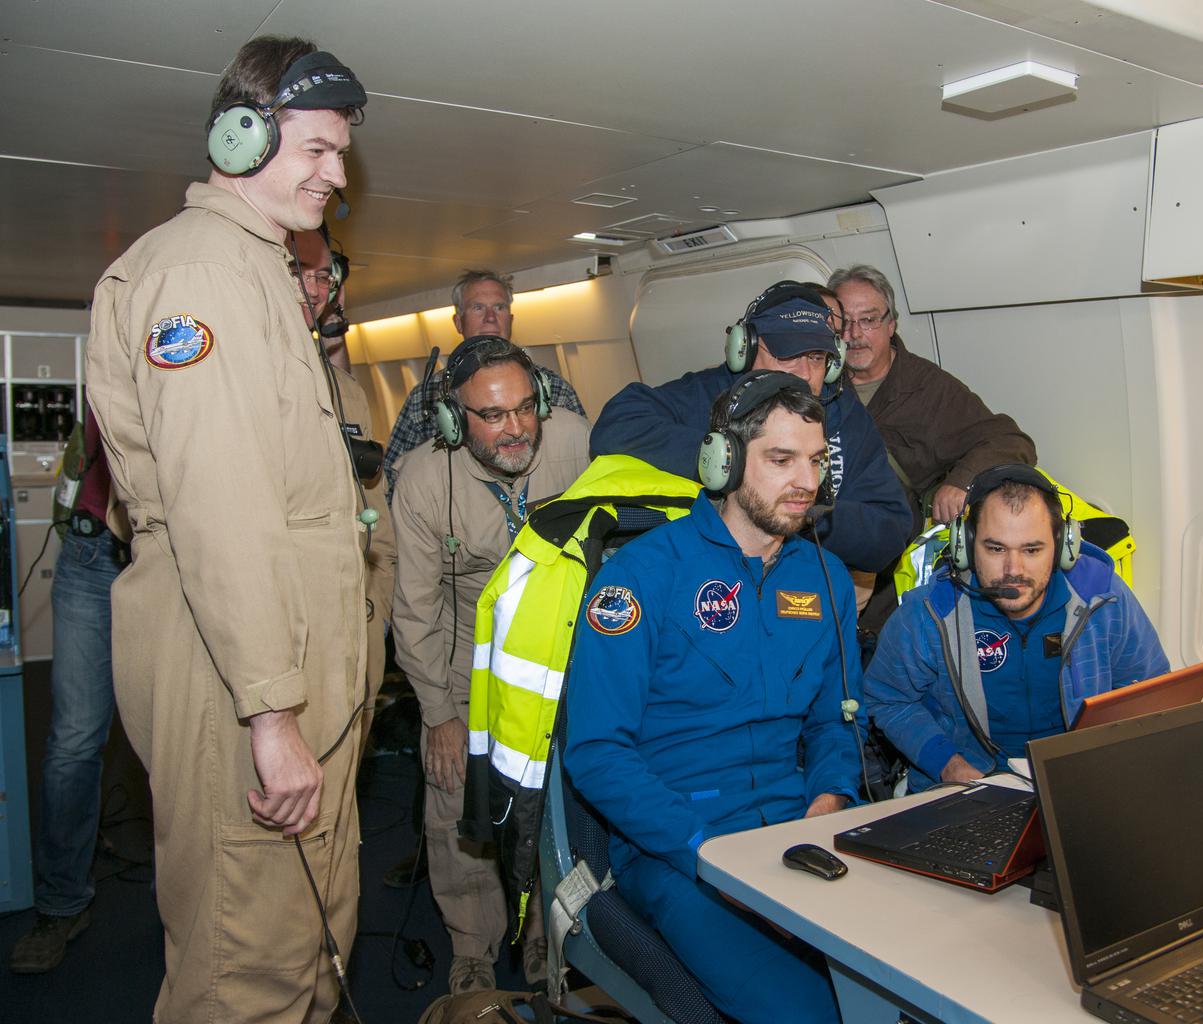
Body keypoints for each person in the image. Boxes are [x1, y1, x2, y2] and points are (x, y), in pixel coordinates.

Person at [84, 37, 369, 1023]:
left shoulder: (259, 275)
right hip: (238, 677)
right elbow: (220, 510)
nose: (337, 175)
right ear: (241, 135)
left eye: (342, 154)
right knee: (247, 964)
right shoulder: (202, 276)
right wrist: (271, 714)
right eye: (319, 149)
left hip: (281, 671)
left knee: (305, 939)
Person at [566, 371, 864, 1024]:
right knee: (809, 1014)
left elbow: (836, 722)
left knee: (902, 986)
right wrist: (710, 854)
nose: (806, 483)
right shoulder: (640, 576)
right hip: (677, 847)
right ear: (722, 461)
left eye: (815, 462)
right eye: (781, 460)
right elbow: (595, 752)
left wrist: (829, 801)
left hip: (799, 828)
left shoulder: (826, 577)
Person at [391, 335, 590, 993]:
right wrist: (438, 714)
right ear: (453, 420)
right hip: (463, 663)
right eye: (493, 416)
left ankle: (542, 933)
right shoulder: (424, 480)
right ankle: (472, 946)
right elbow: (414, 612)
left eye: (526, 408)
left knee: (553, 805)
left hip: (558, 660)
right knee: (456, 807)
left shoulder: (574, 445)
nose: (516, 429)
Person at [863, 465, 1168, 793]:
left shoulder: (1104, 597)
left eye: (1032, 550)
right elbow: (887, 698)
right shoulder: (929, 612)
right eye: (995, 549)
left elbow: (1146, 686)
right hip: (969, 786)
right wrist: (946, 763)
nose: (1013, 570)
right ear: (964, 545)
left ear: (1064, 547)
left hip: (1080, 779)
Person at [590, 280, 912, 575]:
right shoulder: (709, 392)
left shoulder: (841, 409)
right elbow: (616, 423)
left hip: (802, 587)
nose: (803, 374)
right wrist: (727, 462)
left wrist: (802, 508)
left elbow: (891, 529)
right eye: (788, 355)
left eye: (816, 357)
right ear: (746, 349)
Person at [829, 264, 1037, 628]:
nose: (855, 335)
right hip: (825, 545)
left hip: (888, 569)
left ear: (891, 325)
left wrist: (962, 480)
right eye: (844, 322)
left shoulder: (930, 389)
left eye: (869, 320)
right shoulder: (817, 381)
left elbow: (1011, 440)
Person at [7, 412, 129, 974]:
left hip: (167, 561)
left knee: (182, 739)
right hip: (91, 558)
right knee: (74, 742)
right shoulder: (123, 338)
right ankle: (61, 903)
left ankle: (201, 908)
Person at [290, 227, 396, 719]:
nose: (316, 291)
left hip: (358, 627)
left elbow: (379, 522)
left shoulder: (347, 394)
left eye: (324, 278)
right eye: (300, 275)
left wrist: (380, 609)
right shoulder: (242, 388)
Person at [382, 269, 587, 497]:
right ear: (458, 322)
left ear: (510, 320)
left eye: (499, 307)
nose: (490, 317)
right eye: (478, 308)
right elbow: (396, 479)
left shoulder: (553, 387)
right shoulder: (426, 396)